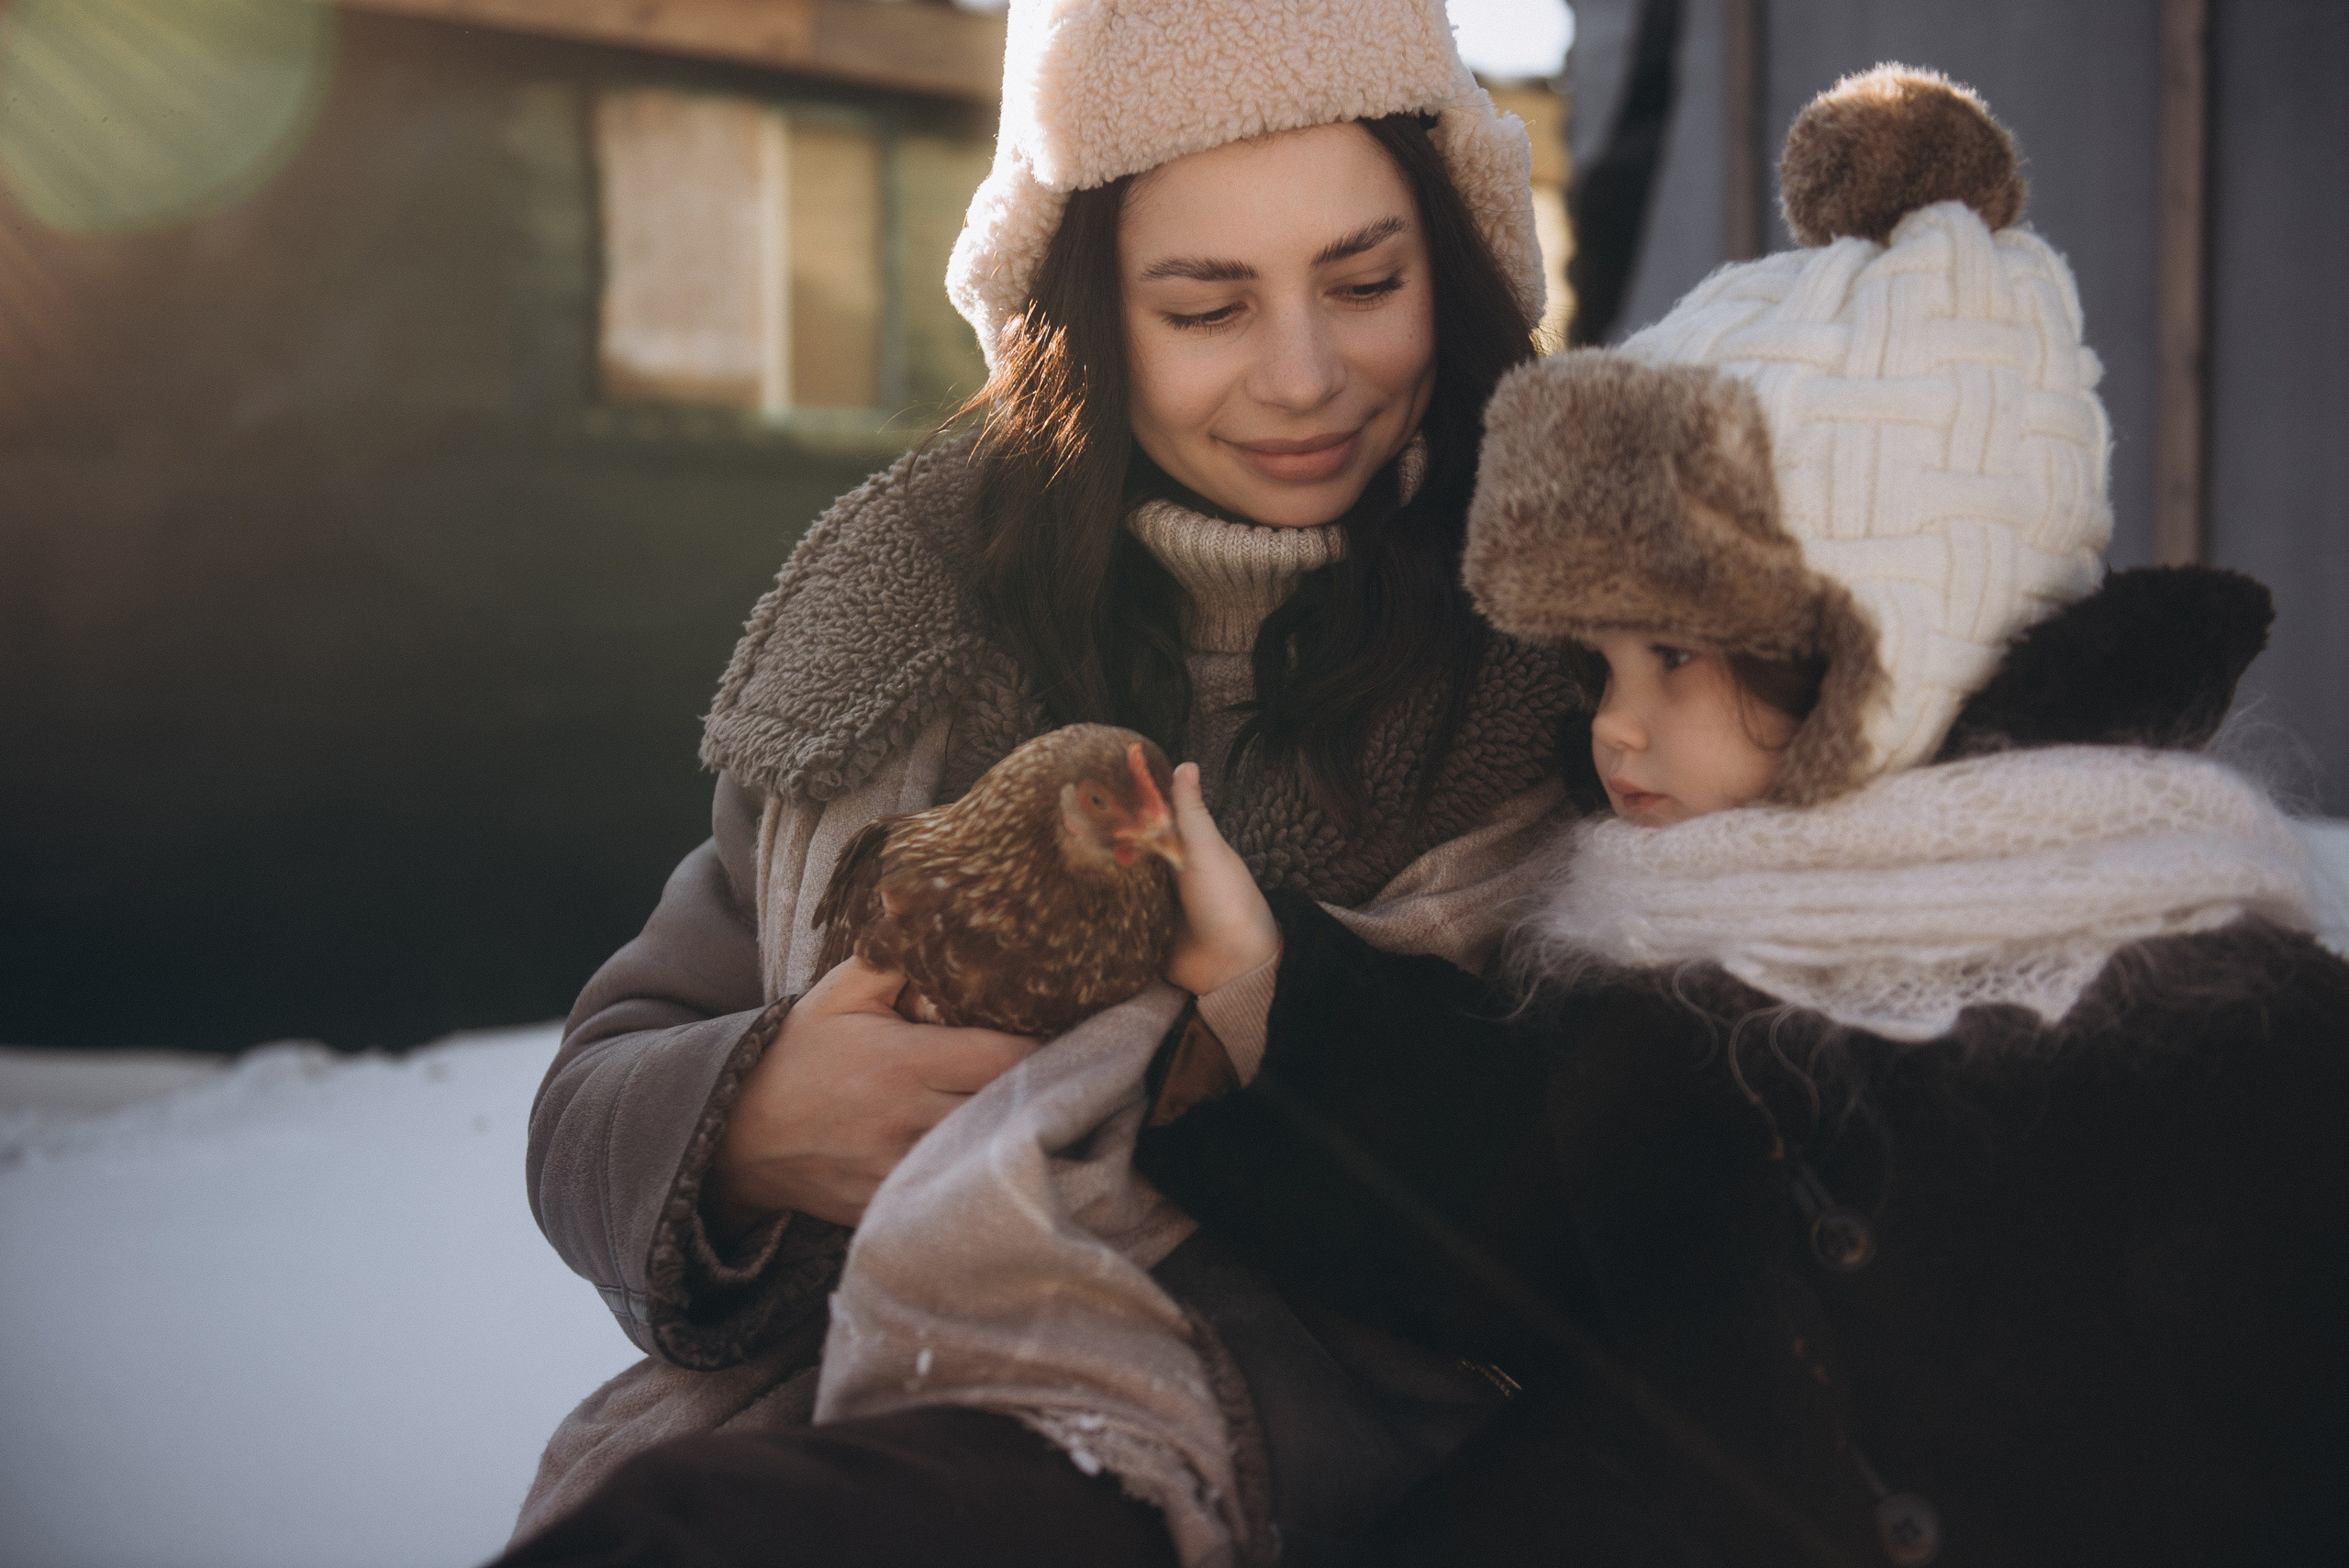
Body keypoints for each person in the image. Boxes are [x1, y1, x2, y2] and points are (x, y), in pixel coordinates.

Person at [1138, 67, 2349, 1568]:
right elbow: (1483, 1209)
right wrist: (1263, 977)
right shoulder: (1695, 985)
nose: (1615, 727)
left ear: (1887, 646)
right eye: (1600, 665)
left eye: (1681, 658)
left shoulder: (2242, 1006)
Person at [509, 2, 1586, 1562]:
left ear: (1462, 255)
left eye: (1365, 281)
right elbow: (597, 1092)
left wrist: (1267, 1039)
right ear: (1075, 310)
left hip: (1341, 1480)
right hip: (839, 1424)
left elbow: (1643, 1203)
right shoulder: (905, 622)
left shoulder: (1575, 645)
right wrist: (744, 1122)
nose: (1306, 374)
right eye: (1207, 307)